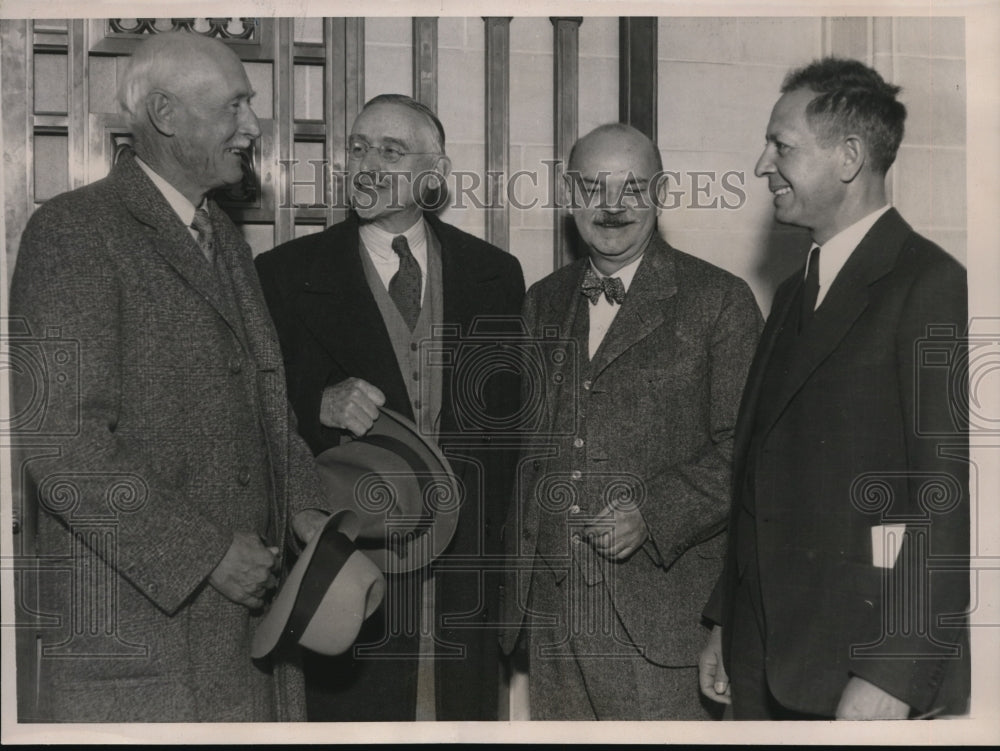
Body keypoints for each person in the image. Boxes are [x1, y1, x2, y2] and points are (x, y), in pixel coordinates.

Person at [8, 32, 335, 722]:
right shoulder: (72, 233)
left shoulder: (222, 236)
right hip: (145, 653)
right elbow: (63, 447)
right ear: (164, 113)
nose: (252, 127)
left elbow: (266, 408)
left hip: (243, 648)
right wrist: (208, 552)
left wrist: (305, 503)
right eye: (235, 107)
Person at [698, 57, 970, 720]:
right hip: (764, 662)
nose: (763, 165)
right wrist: (725, 620)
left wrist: (894, 675)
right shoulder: (795, 289)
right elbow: (760, 469)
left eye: (781, 146)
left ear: (849, 156)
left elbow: (943, 500)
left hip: (858, 675)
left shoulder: (932, 285)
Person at [255, 94, 525, 721]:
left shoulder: (496, 274)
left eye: (391, 151)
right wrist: (315, 401)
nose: (366, 165)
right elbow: (249, 409)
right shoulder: (284, 274)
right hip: (355, 567)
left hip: (463, 582)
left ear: (433, 175)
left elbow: (512, 439)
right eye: (357, 148)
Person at [498, 122, 762, 720]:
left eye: (632, 189)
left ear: (661, 191)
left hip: (663, 621)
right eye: (593, 188)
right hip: (554, 617)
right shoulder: (542, 298)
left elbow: (747, 448)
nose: (610, 207)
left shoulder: (720, 300)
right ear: (569, 195)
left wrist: (655, 511)